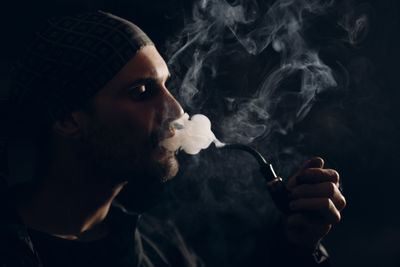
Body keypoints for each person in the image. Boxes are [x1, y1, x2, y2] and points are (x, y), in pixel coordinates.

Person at [1, 10, 346, 267]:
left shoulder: (164, 250)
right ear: (66, 119)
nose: (177, 109)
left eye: (167, 86)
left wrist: (296, 247)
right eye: (141, 92)